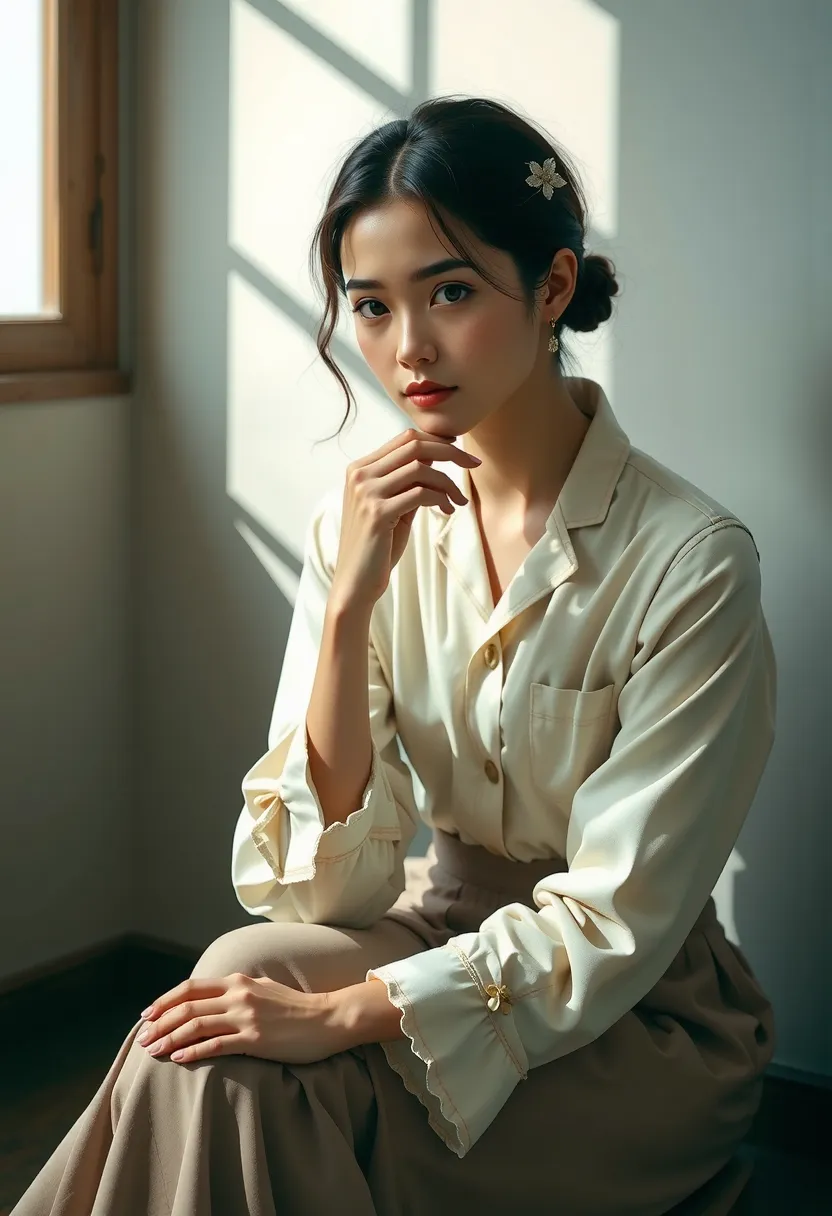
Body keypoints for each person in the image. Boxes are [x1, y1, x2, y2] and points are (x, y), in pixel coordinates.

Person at [13, 95, 776, 1216]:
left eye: (451, 293)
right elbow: (329, 887)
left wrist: (335, 1015)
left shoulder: (692, 559)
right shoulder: (362, 524)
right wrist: (346, 608)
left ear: (552, 287)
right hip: (429, 923)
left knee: (245, 1081)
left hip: (634, 1007)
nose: (406, 348)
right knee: (228, 984)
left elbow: (618, 918)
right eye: (370, 306)